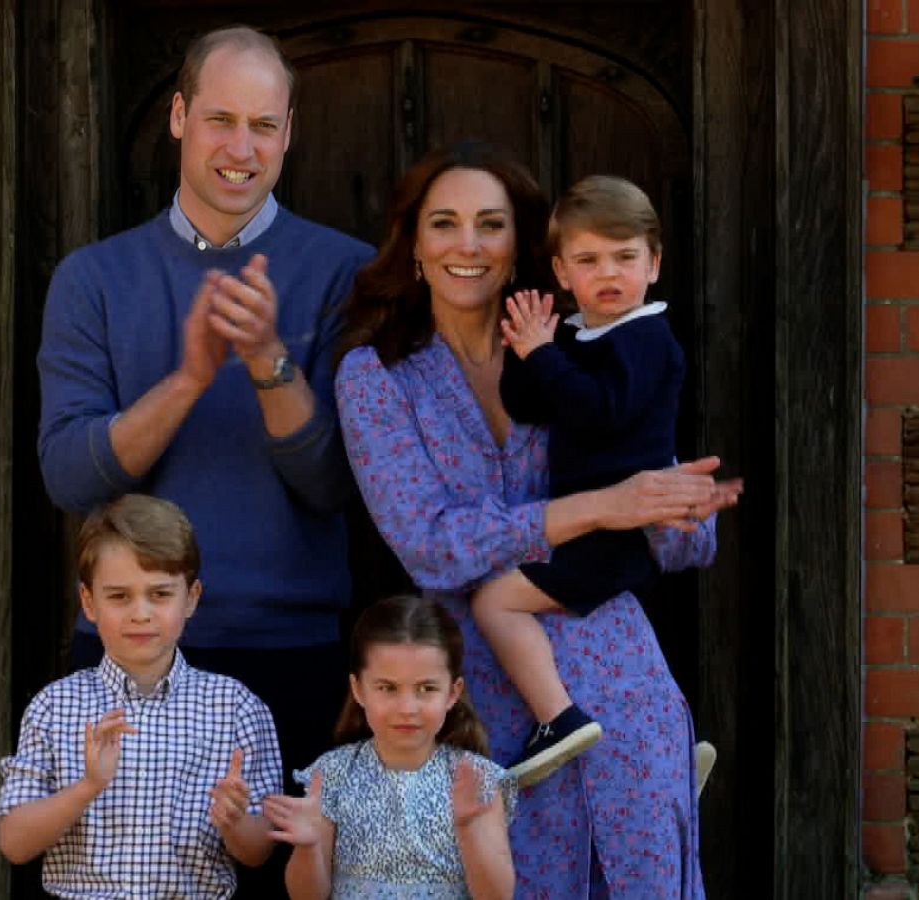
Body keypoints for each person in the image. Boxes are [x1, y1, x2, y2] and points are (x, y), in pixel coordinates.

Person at [333, 141, 741, 898]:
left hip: (622, 683)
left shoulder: (582, 346)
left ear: (520, 247)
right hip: (482, 703)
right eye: (444, 224)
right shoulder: (377, 376)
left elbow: (676, 531)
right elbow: (430, 546)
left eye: (490, 225)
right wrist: (595, 508)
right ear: (414, 246)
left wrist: (683, 511)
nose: (468, 245)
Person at [35, 23, 371, 859]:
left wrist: (266, 362)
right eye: (221, 120)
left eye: (264, 126)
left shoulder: (347, 274)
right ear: (179, 116)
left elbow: (337, 484)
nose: (241, 148)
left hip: (295, 653)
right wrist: (187, 377)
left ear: (290, 133)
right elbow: (70, 475)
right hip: (132, 654)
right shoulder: (93, 278)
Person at [475, 175, 705, 786]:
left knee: (494, 600)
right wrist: (529, 349)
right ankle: (664, 753)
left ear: (653, 264)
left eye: (625, 257)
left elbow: (598, 410)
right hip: (589, 525)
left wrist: (546, 355)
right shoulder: (583, 333)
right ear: (561, 270)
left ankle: (559, 719)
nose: (609, 273)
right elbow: (529, 403)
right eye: (588, 260)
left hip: (618, 535)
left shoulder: (648, 340)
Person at [0, 495, 280, 898]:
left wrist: (233, 822)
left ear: (192, 597)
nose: (141, 613)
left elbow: (259, 853)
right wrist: (87, 786)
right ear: (89, 602)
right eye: (119, 596)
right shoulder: (54, 707)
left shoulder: (236, 709)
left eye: (160, 594)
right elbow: (13, 843)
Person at [263, 594, 515, 900]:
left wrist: (468, 830)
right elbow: (307, 896)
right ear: (358, 689)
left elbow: (498, 896)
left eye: (426, 688)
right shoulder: (331, 774)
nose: (407, 707)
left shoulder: (477, 780)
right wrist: (308, 846)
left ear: (452, 693)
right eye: (388, 688)